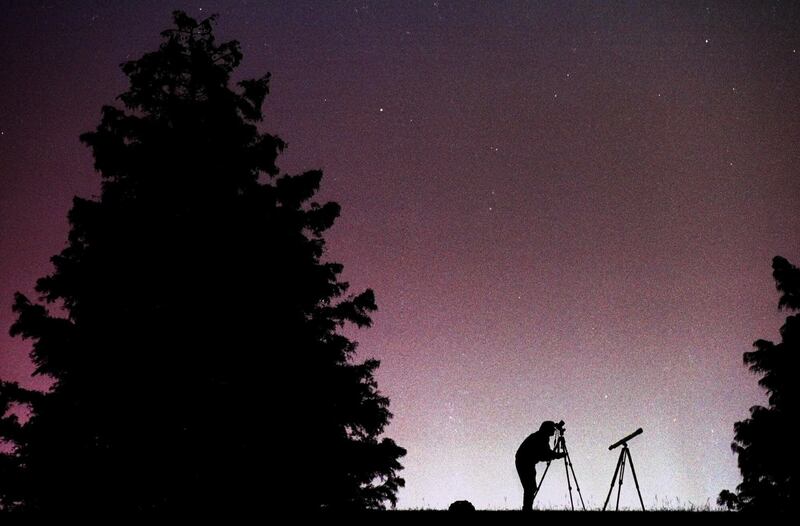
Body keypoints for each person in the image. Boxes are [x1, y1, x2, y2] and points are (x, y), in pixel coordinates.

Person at [515, 420, 566, 511]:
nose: (554, 431)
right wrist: (558, 455)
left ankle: (527, 508)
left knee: (531, 487)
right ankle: (527, 509)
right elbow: (545, 455)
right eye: (552, 429)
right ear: (547, 429)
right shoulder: (541, 438)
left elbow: (545, 455)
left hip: (526, 462)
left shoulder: (540, 436)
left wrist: (554, 455)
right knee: (530, 487)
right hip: (524, 462)